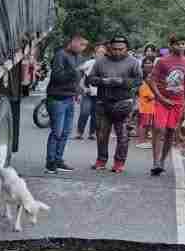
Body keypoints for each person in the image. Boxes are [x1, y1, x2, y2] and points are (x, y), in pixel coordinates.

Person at [87, 36, 142, 173]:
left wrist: (122, 82)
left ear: (126, 49)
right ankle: (101, 160)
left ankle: (119, 162)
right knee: (101, 134)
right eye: (114, 49)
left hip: (123, 103)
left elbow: (138, 80)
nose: (117, 52)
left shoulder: (133, 62)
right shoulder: (100, 62)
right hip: (103, 102)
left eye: (121, 49)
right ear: (109, 48)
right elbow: (91, 79)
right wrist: (103, 81)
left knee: (123, 135)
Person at [148, 35, 185, 176]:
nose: (181, 47)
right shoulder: (162, 61)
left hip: (178, 102)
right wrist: (160, 97)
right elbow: (152, 80)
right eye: (178, 44)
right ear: (171, 45)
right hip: (162, 101)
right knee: (158, 129)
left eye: (183, 44)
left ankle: (162, 161)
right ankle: (155, 162)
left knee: (171, 131)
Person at [45, 33, 87, 173]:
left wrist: (78, 91)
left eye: (85, 45)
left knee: (65, 132)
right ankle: (50, 163)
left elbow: (76, 79)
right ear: (73, 42)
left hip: (69, 98)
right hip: (57, 99)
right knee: (56, 132)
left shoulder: (78, 57)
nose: (83, 48)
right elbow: (57, 77)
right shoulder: (60, 55)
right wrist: (75, 71)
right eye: (81, 44)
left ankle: (58, 159)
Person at [76, 43, 105, 140]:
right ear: (95, 53)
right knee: (84, 112)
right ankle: (79, 132)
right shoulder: (89, 63)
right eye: (99, 52)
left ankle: (92, 133)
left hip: (99, 94)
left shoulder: (107, 65)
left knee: (95, 115)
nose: (100, 54)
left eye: (102, 52)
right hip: (87, 93)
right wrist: (83, 89)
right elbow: (79, 72)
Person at [135, 58, 156, 148]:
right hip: (145, 106)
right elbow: (146, 95)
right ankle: (141, 141)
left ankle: (144, 140)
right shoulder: (142, 83)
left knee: (146, 123)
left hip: (149, 106)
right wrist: (153, 96)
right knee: (143, 124)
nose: (149, 79)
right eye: (146, 63)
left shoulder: (150, 77)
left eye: (150, 62)